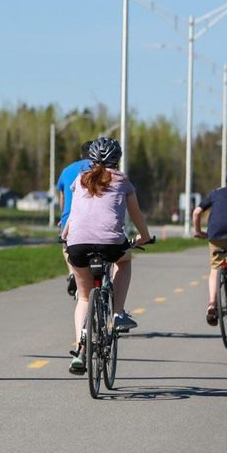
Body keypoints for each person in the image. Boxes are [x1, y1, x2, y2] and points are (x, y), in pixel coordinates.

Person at [61, 136, 151, 375]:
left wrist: (65, 235)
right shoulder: (122, 180)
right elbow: (136, 215)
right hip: (110, 244)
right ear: (117, 160)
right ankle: (118, 312)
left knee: (83, 297)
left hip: (77, 244)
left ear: (90, 160)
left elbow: (74, 215)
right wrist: (144, 237)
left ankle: (80, 351)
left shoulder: (80, 179)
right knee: (125, 260)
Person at [56, 141, 93, 295]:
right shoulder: (100, 170)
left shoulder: (67, 170)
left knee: (65, 244)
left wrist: (62, 218)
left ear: (81, 154)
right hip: (93, 221)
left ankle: (72, 271)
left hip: (69, 221)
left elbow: (62, 199)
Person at [192, 175, 227, 326]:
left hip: (216, 234)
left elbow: (196, 212)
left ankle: (212, 304)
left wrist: (198, 232)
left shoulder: (215, 193)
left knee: (215, 268)